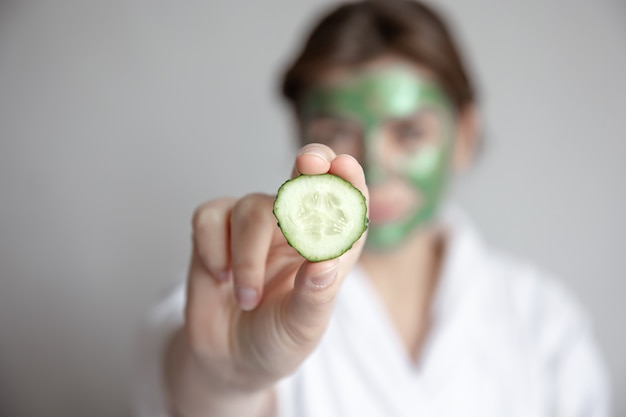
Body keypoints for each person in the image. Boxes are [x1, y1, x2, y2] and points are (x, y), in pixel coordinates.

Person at [133, 1, 611, 416]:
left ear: (464, 136)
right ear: (300, 133)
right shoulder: (234, 289)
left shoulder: (545, 324)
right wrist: (228, 378)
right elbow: (186, 393)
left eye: (409, 133)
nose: (375, 173)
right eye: (339, 132)